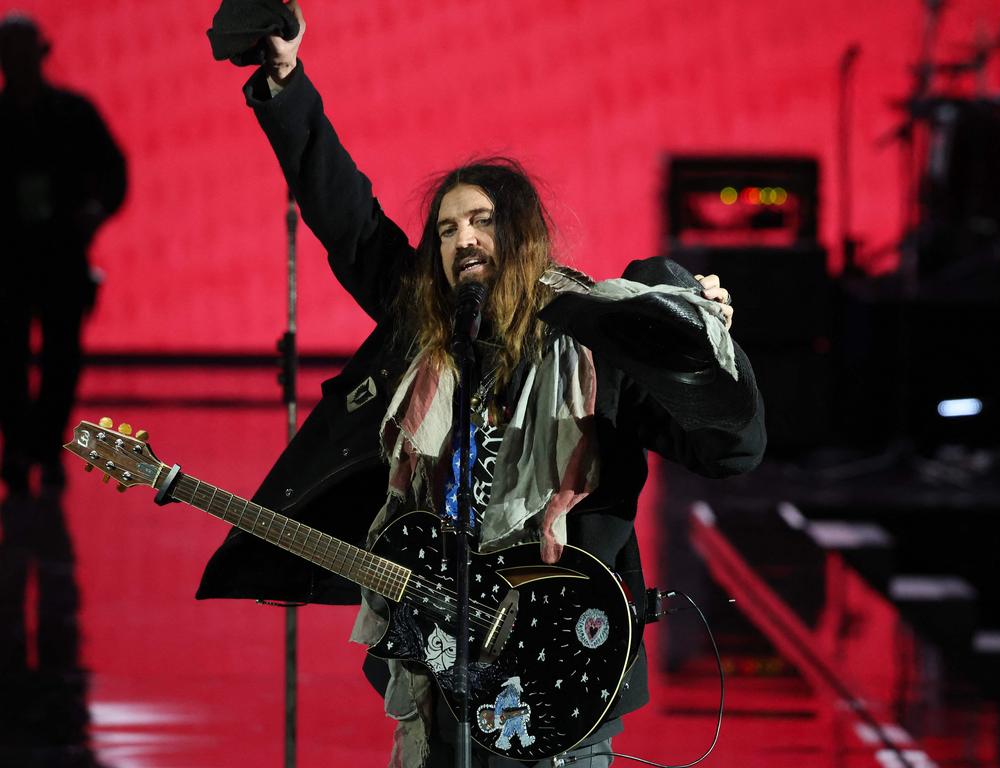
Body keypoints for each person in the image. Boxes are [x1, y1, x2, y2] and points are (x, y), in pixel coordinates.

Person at [197, 2, 765, 766]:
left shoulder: (598, 342)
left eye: (482, 221)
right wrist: (286, 77)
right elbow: (351, 221)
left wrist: (703, 354)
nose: (462, 238)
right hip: (443, 680)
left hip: (561, 681)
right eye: (445, 228)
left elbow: (726, 450)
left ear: (522, 233)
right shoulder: (423, 332)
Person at [0, 13, 127, 497]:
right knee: (7, 361)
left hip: (60, 260)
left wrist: (95, 210)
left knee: (61, 361)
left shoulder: (72, 115)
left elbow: (114, 171)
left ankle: (45, 447)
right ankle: (19, 447)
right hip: (9, 265)